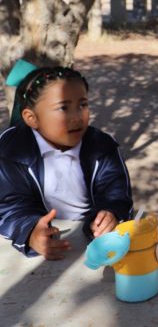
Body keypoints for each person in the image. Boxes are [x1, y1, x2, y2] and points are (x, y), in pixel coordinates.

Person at [0, 65, 133, 260]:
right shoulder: (11, 150)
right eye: (63, 108)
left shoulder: (102, 145)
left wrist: (110, 214)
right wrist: (30, 232)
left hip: (94, 244)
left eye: (82, 105)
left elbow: (118, 195)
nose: (77, 117)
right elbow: (10, 207)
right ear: (32, 118)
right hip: (41, 254)